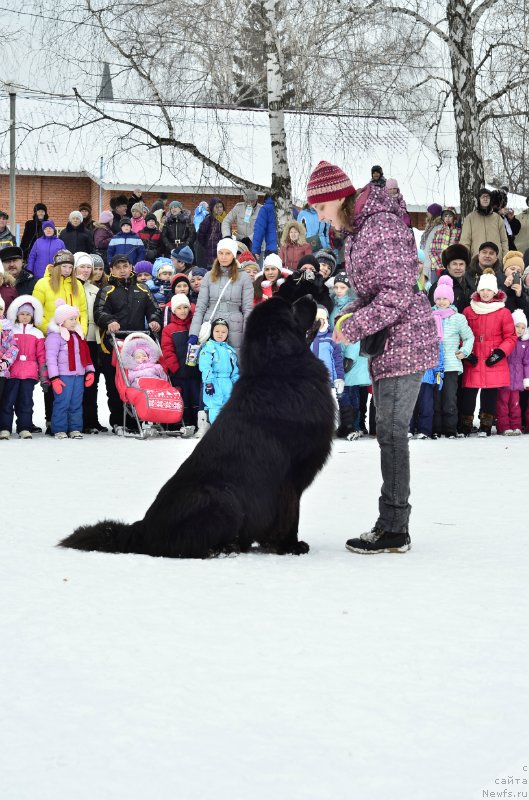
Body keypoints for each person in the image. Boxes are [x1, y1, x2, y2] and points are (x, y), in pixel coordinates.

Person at [307, 159, 437, 553]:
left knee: (392, 432)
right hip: (388, 340)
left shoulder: (379, 226)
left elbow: (397, 294)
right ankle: (392, 524)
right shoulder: (359, 230)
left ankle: (394, 527)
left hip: (405, 339)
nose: (319, 216)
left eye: (321, 207)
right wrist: (348, 313)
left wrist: (355, 325)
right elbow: (374, 291)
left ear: (338, 198)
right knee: (387, 431)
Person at [93, 255, 162, 433]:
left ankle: (138, 420)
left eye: (125, 266)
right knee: (115, 385)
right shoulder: (107, 290)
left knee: (138, 383)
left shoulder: (142, 288)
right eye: (118, 267)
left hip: (137, 347)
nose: (122, 270)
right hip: (113, 345)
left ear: (131, 267)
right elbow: (99, 312)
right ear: (112, 270)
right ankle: (118, 421)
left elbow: (154, 309)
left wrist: (154, 320)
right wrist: (109, 321)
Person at [460, 269, 517, 437]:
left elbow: (510, 337)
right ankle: (466, 423)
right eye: (482, 289)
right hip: (474, 358)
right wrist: (466, 352)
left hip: (493, 359)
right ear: (478, 290)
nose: (485, 293)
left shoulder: (503, 312)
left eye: (489, 290)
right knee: (469, 392)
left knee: (490, 393)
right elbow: (461, 334)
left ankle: (486, 424)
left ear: (495, 292)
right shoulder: (469, 311)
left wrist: (500, 353)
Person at [188, 238, 254, 353]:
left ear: (233, 255)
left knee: (234, 360)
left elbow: (247, 309)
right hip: (211, 324)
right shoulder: (208, 276)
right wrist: (194, 333)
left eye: (228, 253)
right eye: (221, 253)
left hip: (235, 328)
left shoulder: (244, 277)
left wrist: (248, 335)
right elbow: (200, 307)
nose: (223, 257)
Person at [431, 276, 474, 438]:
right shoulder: (430, 316)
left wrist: (464, 351)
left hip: (451, 365)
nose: (442, 302)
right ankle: (436, 428)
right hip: (434, 365)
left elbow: (469, 337)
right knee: (436, 398)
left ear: (451, 299)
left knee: (449, 398)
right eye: (439, 298)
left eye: (445, 298)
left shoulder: (458, 318)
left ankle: (450, 429)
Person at [45, 300, 94, 439]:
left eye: (75, 319)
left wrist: (90, 371)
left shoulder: (78, 335)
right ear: (61, 321)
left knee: (76, 403)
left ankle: (75, 428)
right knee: (62, 402)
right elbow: (51, 358)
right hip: (63, 376)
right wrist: (54, 378)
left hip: (79, 375)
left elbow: (86, 355)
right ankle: (59, 429)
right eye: (71, 319)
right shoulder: (55, 336)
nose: (74, 322)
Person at [0, 295, 47, 440]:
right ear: (17, 315)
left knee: (26, 402)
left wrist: (44, 376)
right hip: (12, 372)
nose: (25, 317)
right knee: (8, 401)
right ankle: (5, 428)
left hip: (29, 374)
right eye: (22, 314)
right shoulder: (10, 330)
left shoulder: (37, 334)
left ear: (32, 316)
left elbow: (41, 356)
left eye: (28, 314)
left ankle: (24, 428)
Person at [330, 271, 370, 440]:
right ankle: (347, 424)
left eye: (342, 287)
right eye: (336, 287)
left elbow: (355, 334)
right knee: (344, 391)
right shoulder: (334, 306)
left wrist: (350, 357)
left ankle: (353, 425)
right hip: (338, 353)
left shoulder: (353, 307)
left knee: (349, 391)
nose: (339, 290)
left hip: (351, 356)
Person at [74, 252, 107, 434]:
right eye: (82, 266)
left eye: (89, 267)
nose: (86, 270)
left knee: (91, 381)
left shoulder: (95, 289)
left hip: (92, 339)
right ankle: (75, 420)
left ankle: (91, 419)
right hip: (73, 339)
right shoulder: (68, 287)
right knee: (74, 381)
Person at [161, 294, 200, 430]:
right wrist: (175, 368)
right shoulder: (169, 329)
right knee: (183, 398)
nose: (183, 311)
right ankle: (182, 423)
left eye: (185, 307)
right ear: (173, 311)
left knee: (195, 396)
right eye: (179, 308)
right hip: (179, 372)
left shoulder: (194, 327)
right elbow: (167, 351)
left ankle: (196, 422)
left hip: (195, 370)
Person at [33, 250, 88, 336]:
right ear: (57, 266)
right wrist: (52, 330)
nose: (67, 270)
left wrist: (82, 331)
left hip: (75, 335)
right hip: (52, 336)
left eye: (70, 267)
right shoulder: (42, 283)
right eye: (64, 266)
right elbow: (36, 311)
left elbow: (83, 311)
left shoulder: (78, 284)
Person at [198, 318, 239, 423]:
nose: (220, 334)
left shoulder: (229, 350)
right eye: (217, 331)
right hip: (214, 381)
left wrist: (237, 383)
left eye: (223, 332)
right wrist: (208, 383)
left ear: (227, 334)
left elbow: (234, 369)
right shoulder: (209, 347)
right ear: (212, 332)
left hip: (227, 382)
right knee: (215, 406)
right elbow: (205, 366)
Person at [495, 309, 529, 435]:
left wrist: (526, 379)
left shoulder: (525, 343)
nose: (520, 330)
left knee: (515, 404)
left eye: (523, 327)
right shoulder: (505, 340)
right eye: (517, 326)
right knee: (502, 404)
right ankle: (504, 427)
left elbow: (526, 362)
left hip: (517, 380)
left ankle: (516, 426)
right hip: (504, 378)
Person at [310, 304, 344, 414]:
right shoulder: (306, 337)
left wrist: (339, 378)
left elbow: (337, 359)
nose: (319, 322)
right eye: (316, 319)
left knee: (326, 409)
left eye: (322, 319)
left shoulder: (331, 338)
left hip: (326, 381)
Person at [460, 188, 509, 261]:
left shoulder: (498, 218)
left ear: (490, 200)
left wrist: (505, 258)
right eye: (483, 197)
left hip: (496, 260)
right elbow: (465, 241)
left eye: (488, 197)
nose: (485, 199)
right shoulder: (470, 218)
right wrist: (464, 259)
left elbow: (504, 240)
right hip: (476, 260)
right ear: (479, 199)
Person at [428, 243, 474, 312]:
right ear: (448, 267)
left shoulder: (470, 285)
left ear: (466, 266)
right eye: (454, 264)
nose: (458, 268)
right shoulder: (438, 287)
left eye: (461, 264)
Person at [428, 208, 461, 277]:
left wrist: (451, 265)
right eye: (445, 216)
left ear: (454, 218)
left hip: (451, 268)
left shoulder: (458, 231)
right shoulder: (438, 231)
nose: (447, 218)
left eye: (450, 216)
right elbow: (432, 251)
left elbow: (459, 250)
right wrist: (439, 267)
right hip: (436, 268)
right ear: (443, 218)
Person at [196, 198, 226, 267]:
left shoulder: (226, 220)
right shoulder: (208, 220)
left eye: (221, 207)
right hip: (210, 255)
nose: (219, 209)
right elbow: (200, 237)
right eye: (217, 207)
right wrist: (208, 246)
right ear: (212, 208)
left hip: (223, 254)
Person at [0, 296, 19, 407]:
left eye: (0, 308)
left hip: (2, 370)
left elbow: (13, 347)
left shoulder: (7, 327)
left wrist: (6, 361)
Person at [420, 203, 444, 281]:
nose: (427, 213)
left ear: (433, 213)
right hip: (426, 259)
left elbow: (436, 246)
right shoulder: (430, 226)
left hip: (433, 263)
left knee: (432, 284)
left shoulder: (439, 227)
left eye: (429, 212)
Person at [251, 194, 278, 259]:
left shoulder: (265, 209)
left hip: (272, 249)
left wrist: (255, 250)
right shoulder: (288, 208)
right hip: (289, 249)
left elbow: (259, 230)